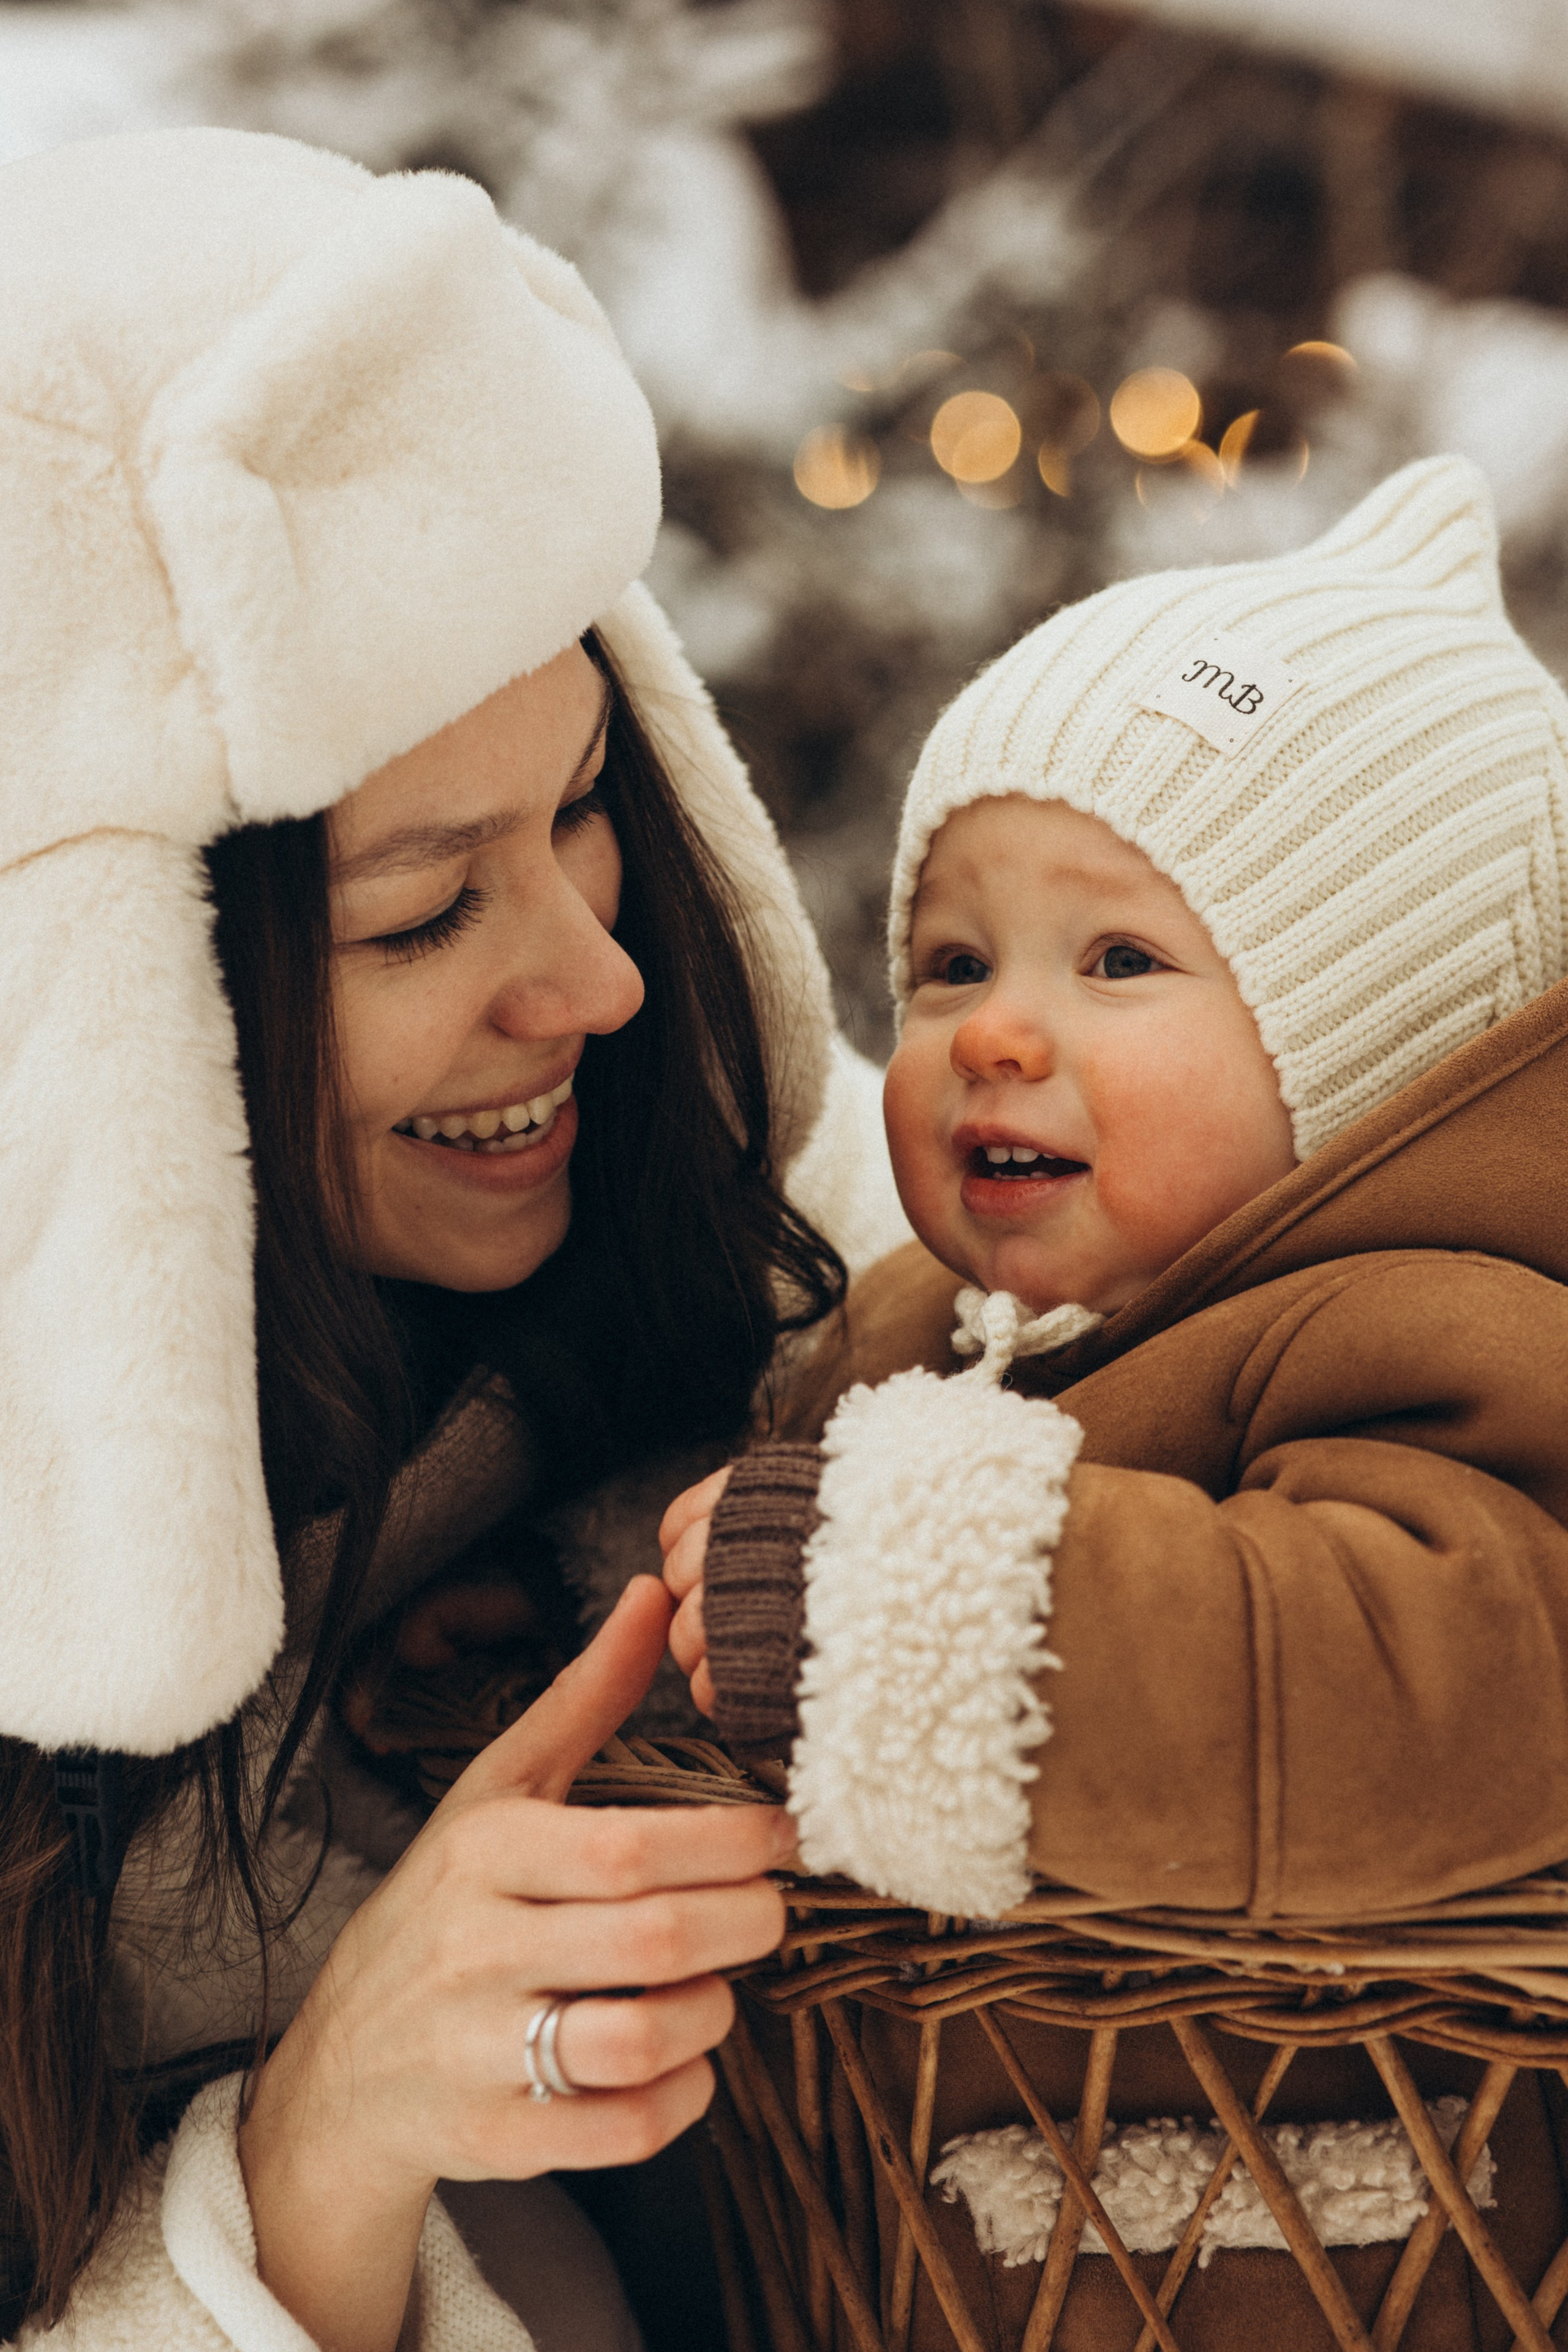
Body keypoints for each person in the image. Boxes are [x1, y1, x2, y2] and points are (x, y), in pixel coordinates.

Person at [0, 125, 908, 2350]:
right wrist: (318, 2154)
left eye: (589, 801)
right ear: (107, 1036)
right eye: (420, 909)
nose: (596, 981)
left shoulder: (721, 1215)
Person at [664, 457, 1568, 2345]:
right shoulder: (930, 1320)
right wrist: (621, 1584)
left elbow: (1445, 1675)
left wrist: (902, 1590)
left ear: (1383, 1060)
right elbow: (763, 1541)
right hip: (920, 2237)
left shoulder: (1440, 1326)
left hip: (1336, 2248)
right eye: (950, 961)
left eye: (1123, 961)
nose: (995, 1028)